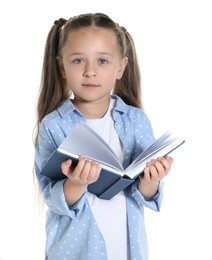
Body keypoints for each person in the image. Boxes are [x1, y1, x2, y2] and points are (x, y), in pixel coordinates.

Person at [34, 13, 173, 260]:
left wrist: (152, 179)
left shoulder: (136, 121)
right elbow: (52, 197)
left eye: (102, 61)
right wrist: (76, 183)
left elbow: (145, 193)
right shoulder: (54, 126)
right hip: (74, 252)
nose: (90, 72)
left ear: (121, 67)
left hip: (127, 250)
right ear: (61, 67)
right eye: (78, 60)